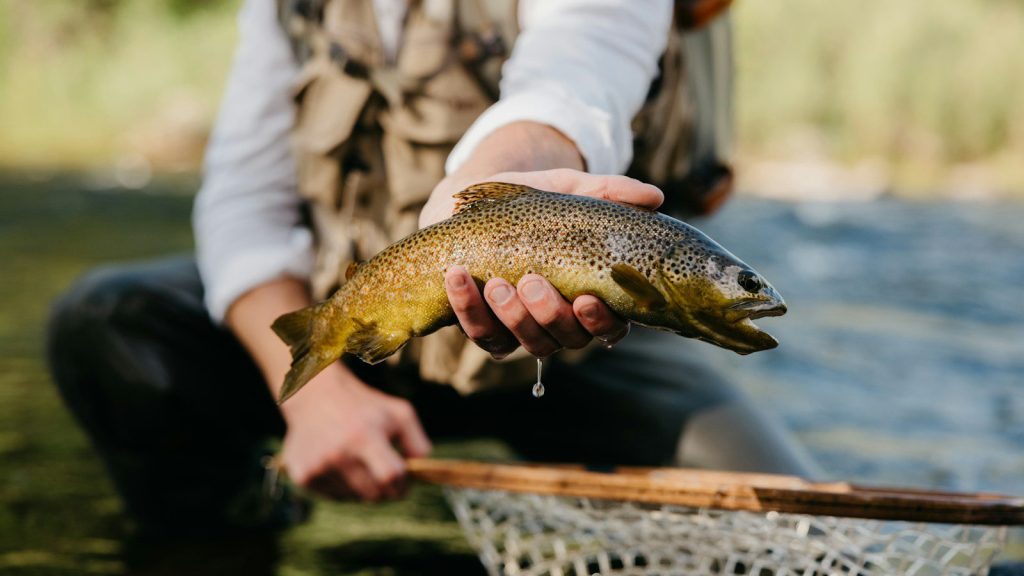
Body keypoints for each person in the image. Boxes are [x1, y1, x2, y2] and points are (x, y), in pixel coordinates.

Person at [47, 0, 817, 535]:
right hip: (376, 314)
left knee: (792, 536)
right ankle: (230, 536)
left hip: (583, 347)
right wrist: (316, 399)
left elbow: (579, 73)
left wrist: (503, 177)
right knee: (108, 324)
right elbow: (243, 207)